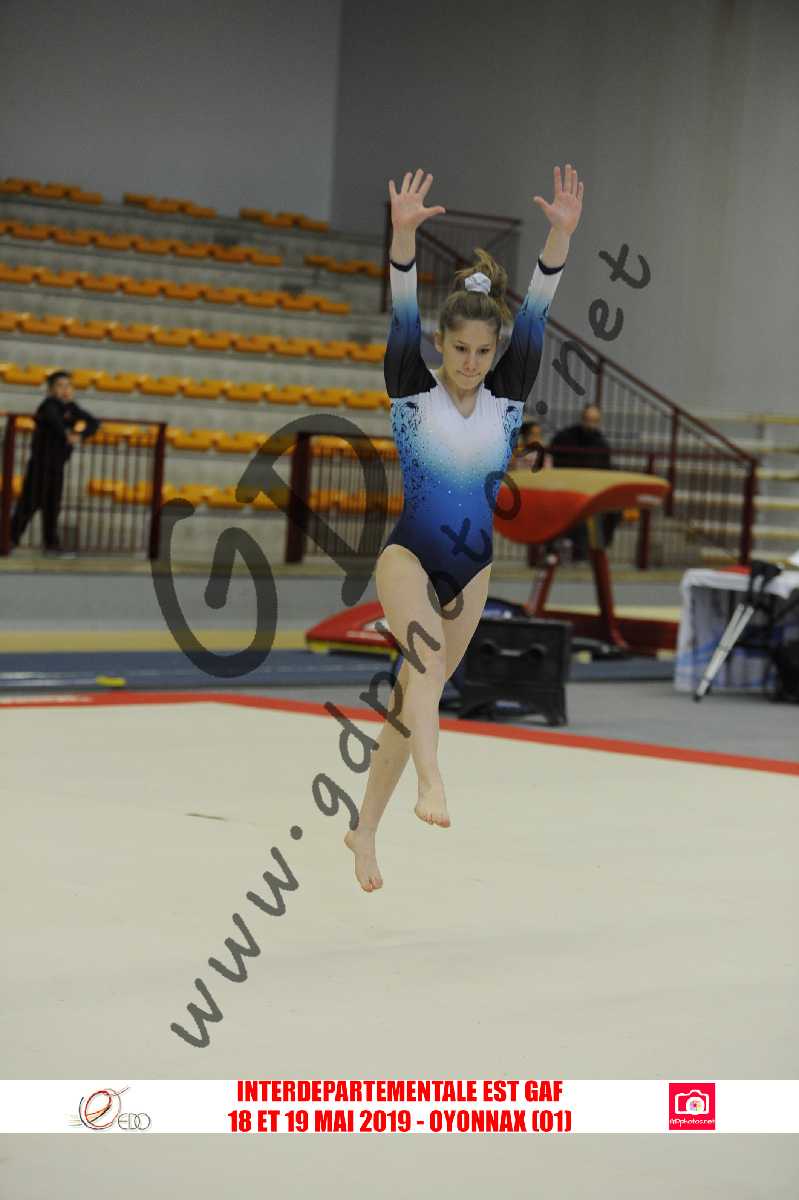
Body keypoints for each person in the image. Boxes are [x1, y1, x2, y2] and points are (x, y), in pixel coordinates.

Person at [344, 163, 583, 891]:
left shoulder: (508, 394)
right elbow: (401, 309)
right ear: (440, 345)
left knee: (408, 704)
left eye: (483, 352)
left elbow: (537, 308)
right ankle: (432, 779)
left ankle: (363, 829)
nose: (472, 364)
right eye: (459, 350)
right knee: (422, 672)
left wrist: (560, 237)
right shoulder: (410, 389)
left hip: (472, 565)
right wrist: (402, 238)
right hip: (410, 556)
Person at [9, 369, 100, 555]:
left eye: (68, 386)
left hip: (57, 467)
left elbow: (93, 422)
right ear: (51, 390)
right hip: (40, 466)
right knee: (28, 504)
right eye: (60, 386)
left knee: (52, 506)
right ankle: (8, 540)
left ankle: (51, 545)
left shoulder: (72, 407)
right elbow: (54, 421)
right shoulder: (48, 405)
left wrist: (79, 434)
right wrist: (67, 433)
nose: (65, 390)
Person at [549, 402, 620, 560]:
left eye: (594, 421)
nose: (590, 424)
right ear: (582, 418)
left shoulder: (601, 443)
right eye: (588, 419)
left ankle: (598, 551)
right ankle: (578, 552)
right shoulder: (565, 438)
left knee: (613, 511)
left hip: (592, 492)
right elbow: (556, 462)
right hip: (567, 488)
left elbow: (605, 469)